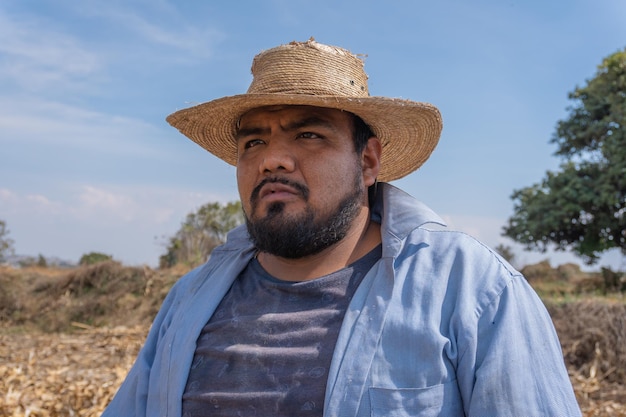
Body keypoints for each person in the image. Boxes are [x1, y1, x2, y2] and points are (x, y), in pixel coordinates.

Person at [102, 39, 581, 417]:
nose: (271, 159)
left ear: (368, 161)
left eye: (308, 134)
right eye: (253, 141)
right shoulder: (189, 299)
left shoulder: (471, 290)